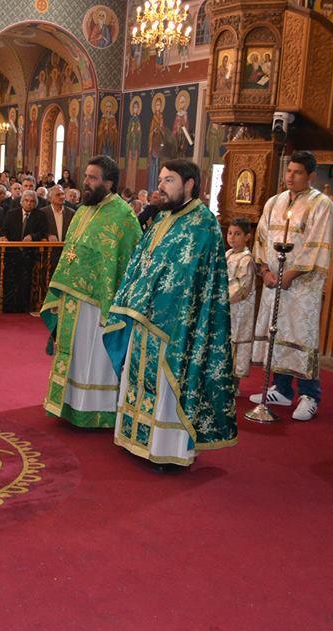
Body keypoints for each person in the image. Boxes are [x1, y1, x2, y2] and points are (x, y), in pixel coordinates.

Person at [104, 160, 237, 467]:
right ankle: (135, 438)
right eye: (161, 179)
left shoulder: (203, 224)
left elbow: (192, 278)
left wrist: (156, 305)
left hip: (177, 326)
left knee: (166, 383)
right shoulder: (162, 218)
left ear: (189, 184)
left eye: (169, 180)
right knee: (136, 378)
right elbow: (140, 262)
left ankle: (167, 450)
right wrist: (131, 300)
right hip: (142, 317)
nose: (160, 186)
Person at [40, 156, 142, 429]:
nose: (86, 182)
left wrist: (115, 303)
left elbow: (128, 263)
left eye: (93, 178)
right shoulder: (83, 211)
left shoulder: (124, 217)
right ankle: (69, 404)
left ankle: (97, 411)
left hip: (101, 305)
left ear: (109, 182)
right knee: (74, 353)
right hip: (73, 299)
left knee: (94, 356)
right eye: (85, 176)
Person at [249, 151, 333, 421]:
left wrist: (290, 275)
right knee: (277, 331)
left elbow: (318, 245)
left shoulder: (322, 205)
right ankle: (283, 389)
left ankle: (310, 395)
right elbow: (261, 239)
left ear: (310, 176)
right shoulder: (274, 202)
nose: (290, 176)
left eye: (298, 172)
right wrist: (265, 270)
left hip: (302, 285)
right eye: (289, 171)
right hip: (274, 280)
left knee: (301, 335)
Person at [226, 218, 257, 384]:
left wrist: (221, 296)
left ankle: (233, 383)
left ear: (247, 237)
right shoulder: (228, 254)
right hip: (226, 309)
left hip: (238, 308)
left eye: (237, 234)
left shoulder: (246, 259)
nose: (232, 237)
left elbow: (242, 286)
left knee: (236, 342)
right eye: (230, 233)